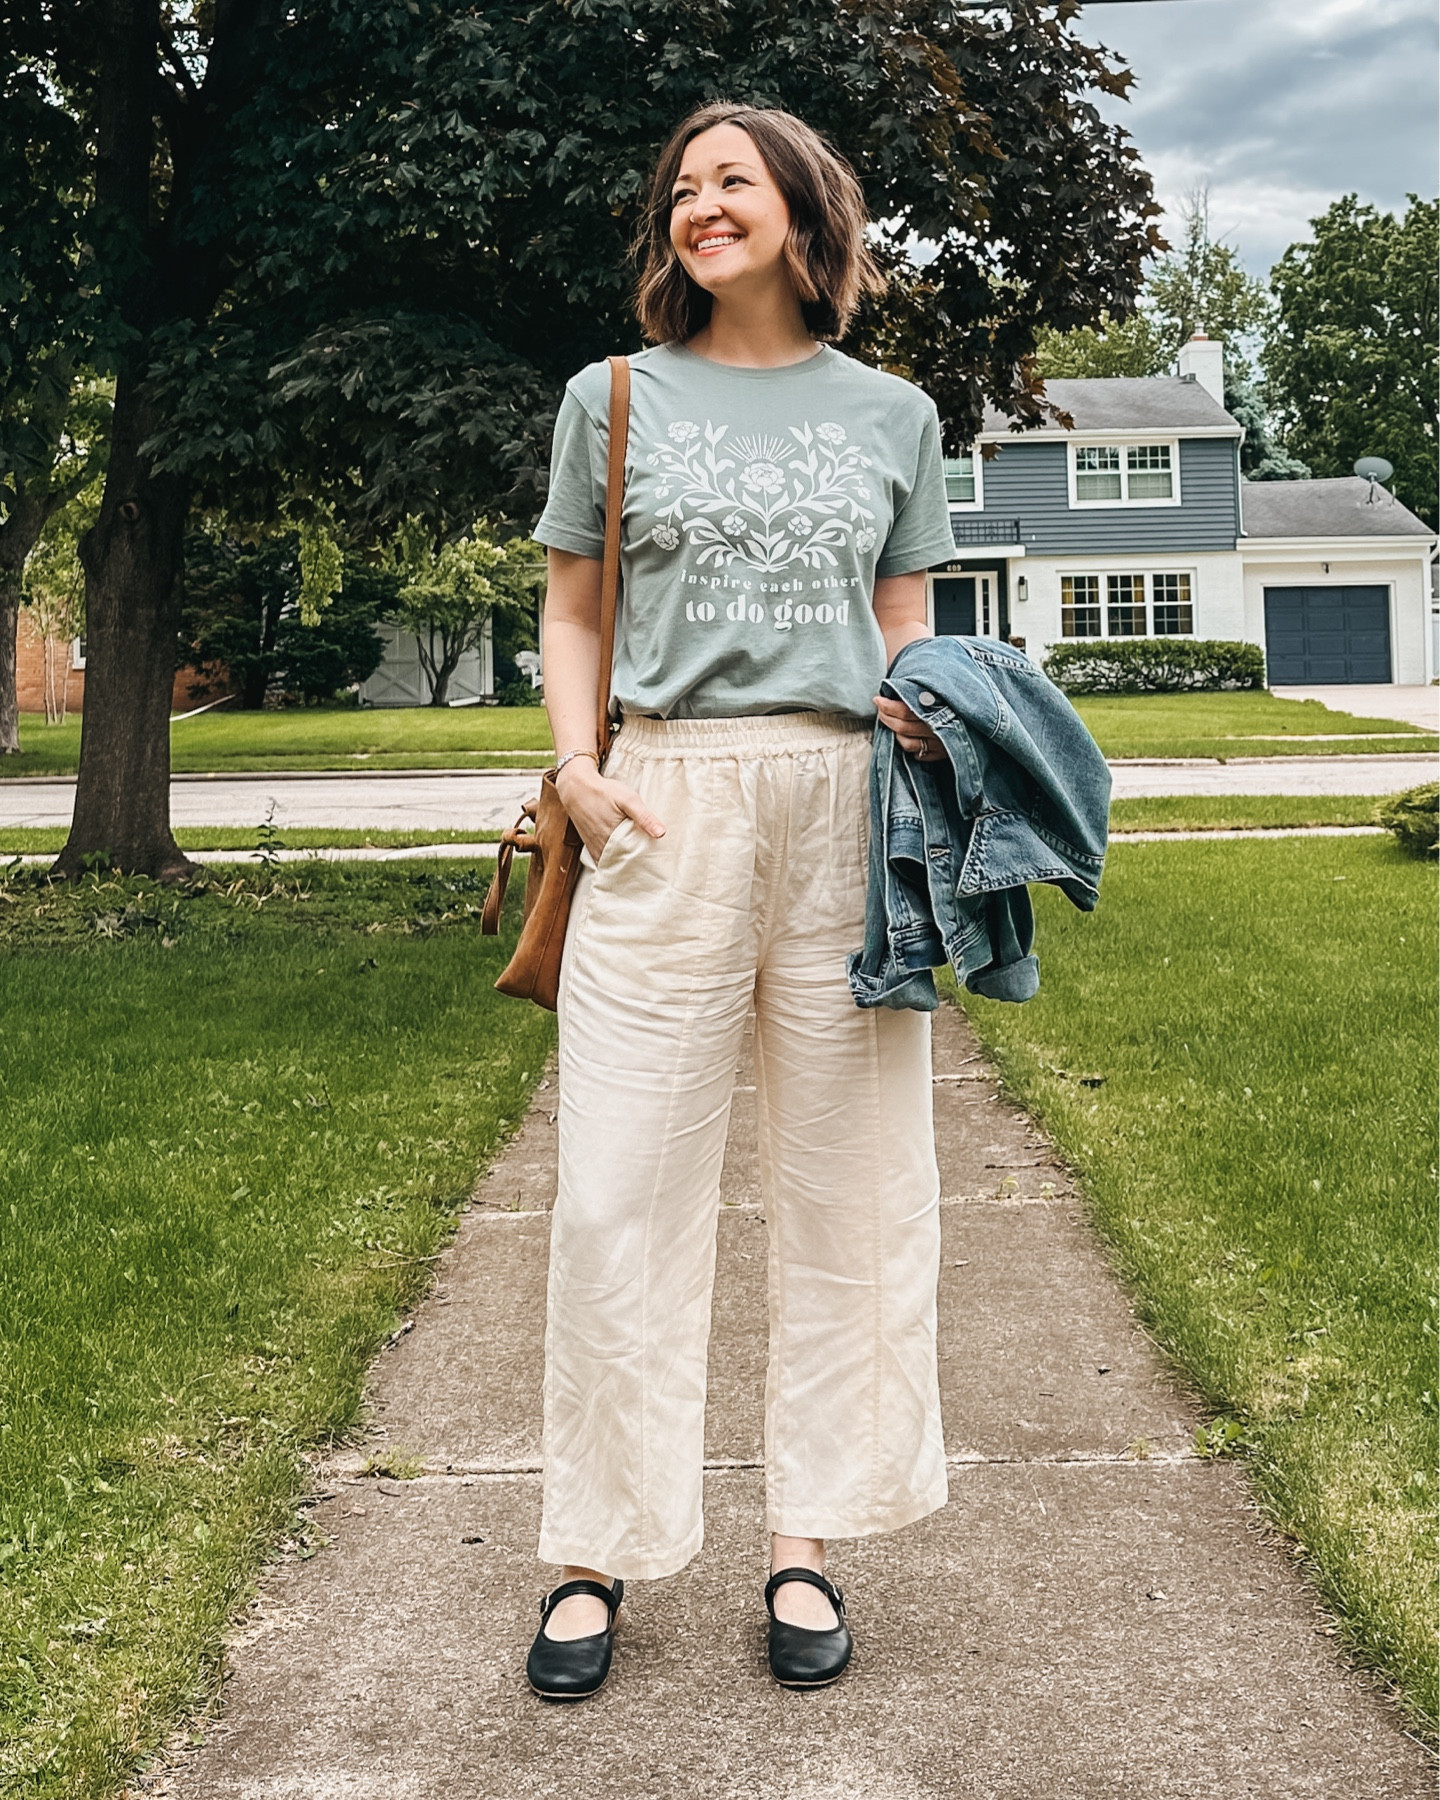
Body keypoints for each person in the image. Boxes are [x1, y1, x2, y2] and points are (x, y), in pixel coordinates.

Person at [526, 100, 959, 1701]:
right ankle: (597, 1550)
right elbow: (575, 606)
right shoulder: (614, 397)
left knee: (856, 1189)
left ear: (799, 207)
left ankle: (810, 1535)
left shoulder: (893, 413)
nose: (702, 203)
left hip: (842, 800)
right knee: (618, 1188)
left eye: (733, 179)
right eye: (683, 187)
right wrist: (578, 771)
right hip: (664, 797)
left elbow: (902, 618)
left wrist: (926, 761)